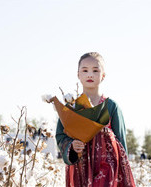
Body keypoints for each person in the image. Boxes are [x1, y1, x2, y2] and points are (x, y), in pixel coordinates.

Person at [55, 52, 136, 186]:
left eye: (95, 70)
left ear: (103, 75)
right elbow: (60, 135)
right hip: (80, 167)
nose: (90, 74)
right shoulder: (71, 107)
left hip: (107, 167)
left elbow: (121, 142)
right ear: (78, 75)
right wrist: (72, 145)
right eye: (85, 70)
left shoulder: (111, 106)